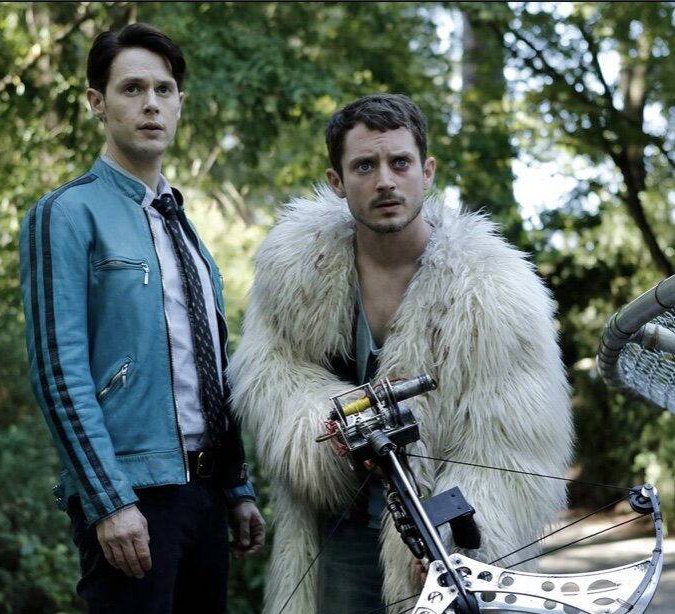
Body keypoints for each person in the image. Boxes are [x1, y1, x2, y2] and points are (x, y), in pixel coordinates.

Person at [228, 93, 573, 613]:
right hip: (338, 533)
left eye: (400, 163)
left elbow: (510, 449)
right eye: (365, 166)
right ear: (337, 182)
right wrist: (332, 426)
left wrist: (456, 534)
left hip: (437, 541)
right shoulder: (293, 273)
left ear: (426, 172)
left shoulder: (495, 290)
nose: (385, 180)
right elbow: (270, 380)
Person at [19, 23, 265, 613]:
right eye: (131, 89)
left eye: (163, 89)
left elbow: (209, 362)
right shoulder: (66, 213)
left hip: (206, 492)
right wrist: (109, 500)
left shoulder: (183, 224)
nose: (151, 103)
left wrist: (235, 486)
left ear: (179, 102)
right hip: (131, 495)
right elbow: (58, 371)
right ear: (97, 103)